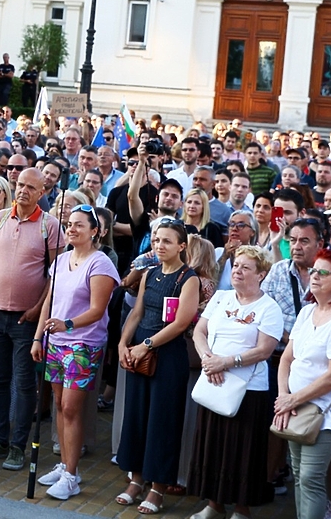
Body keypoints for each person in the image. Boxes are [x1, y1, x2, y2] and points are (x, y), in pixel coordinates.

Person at [0, 168, 63, 471]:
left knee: (24, 383)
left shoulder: (50, 226)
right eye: (20, 185)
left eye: (30, 187)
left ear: (41, 193)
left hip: (26, 319)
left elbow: (56, 273)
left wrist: (39, 308)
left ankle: (17, 446)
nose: (22, 190)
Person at [187, 246, 283, 519]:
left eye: (245, 267)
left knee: (243, 450)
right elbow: (200, 331)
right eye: (236, 265)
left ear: (261, 275)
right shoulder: (221, 297)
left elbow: (264, 350)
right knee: (213, 443)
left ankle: (242, 508)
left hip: (249, 389)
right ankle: (214, 504)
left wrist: (225, 362)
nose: (237, 271)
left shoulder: (269, 307)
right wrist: (209, 359)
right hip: (213, 380)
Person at [32, 205, 120, 500]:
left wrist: (66, 324)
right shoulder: (60, 261)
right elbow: (49, 302)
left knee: (71, 407)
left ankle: (72, 474)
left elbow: (97, 310)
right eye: (69, 224)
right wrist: (38, 337)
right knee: (58, 403)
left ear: (95, 231)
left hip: (83, 344)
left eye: (79, 225)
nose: (71, 229)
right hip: (55, 342)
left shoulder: (101, 264)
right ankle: (65, 465)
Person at [115, 220, 201, 514]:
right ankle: (135, 479)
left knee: (162, 422)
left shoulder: (188, 278)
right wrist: (123, 343)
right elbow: (137, 312)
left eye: (166, 241)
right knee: (136, 416)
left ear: (181, 246)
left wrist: (147, 345)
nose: (159, 246)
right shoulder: (149, 273)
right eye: (156, 240)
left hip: (167, 357)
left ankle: (158, 487)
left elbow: (181, 322)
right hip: (138, 354)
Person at [273, 250, 331, 519]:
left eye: (323, 272)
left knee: (312, 476)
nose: (314, 276)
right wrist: (284, 398)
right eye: (313, 270)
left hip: (326, 411)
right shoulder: (306, 312)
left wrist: (294, 399)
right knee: (300, 475)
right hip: (294, 406)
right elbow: (287, 359)